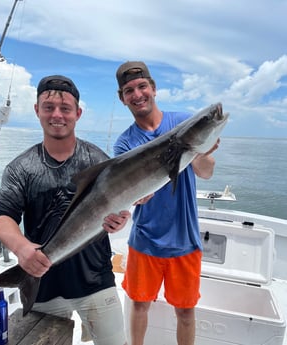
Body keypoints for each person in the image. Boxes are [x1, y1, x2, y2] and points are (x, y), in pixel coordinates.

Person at [0, 75, 130, 345]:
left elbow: (118, 206)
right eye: (49, 107)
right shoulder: (22, 168)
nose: (57, 115)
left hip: (96, 280)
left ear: (78, 113)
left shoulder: (98, 161)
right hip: (43, 284)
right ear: (36, 110)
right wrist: (21, 248)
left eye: (65, 108)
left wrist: (120, 220)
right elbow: (2, 216)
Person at [113, 61, 220, 345]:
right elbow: (130, 195)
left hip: (185, 239)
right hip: (144, 240)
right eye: (129, 90)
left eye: (142, 86)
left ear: (154, 88)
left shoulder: (183, 122)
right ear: (122, 98)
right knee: (139, 305)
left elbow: (206, 172)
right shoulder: (124, 144)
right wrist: (137, 197)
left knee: (185, 311)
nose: (137, 94)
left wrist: (201, 150)